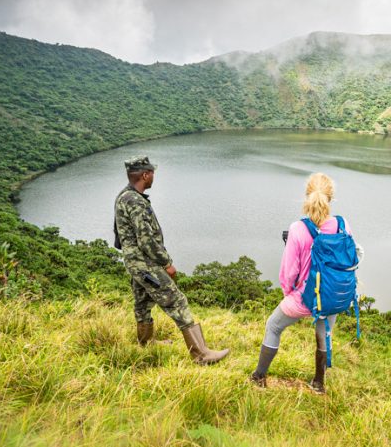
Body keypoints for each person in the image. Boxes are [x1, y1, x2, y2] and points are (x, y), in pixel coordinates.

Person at [114, 155, 229, 365]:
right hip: (145, 264)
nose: (154, 177)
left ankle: (146, 344)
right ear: (145, 174)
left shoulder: (125, 196)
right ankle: (201, 354)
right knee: (177, 301)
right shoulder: (135, 201)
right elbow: (146, 240)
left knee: (142, 303)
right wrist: (166, 263)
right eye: (152, 173)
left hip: (134, 263)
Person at [250, 172, 355, 394]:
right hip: (332, 295)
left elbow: (289, 272)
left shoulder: (298, 228)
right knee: (324, 334)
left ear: (307, 195)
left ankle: (259, 377)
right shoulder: (343, 225)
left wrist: (289, 293)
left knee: (273, 326)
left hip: (303, 297)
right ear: (331, 198)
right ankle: (318, 383)